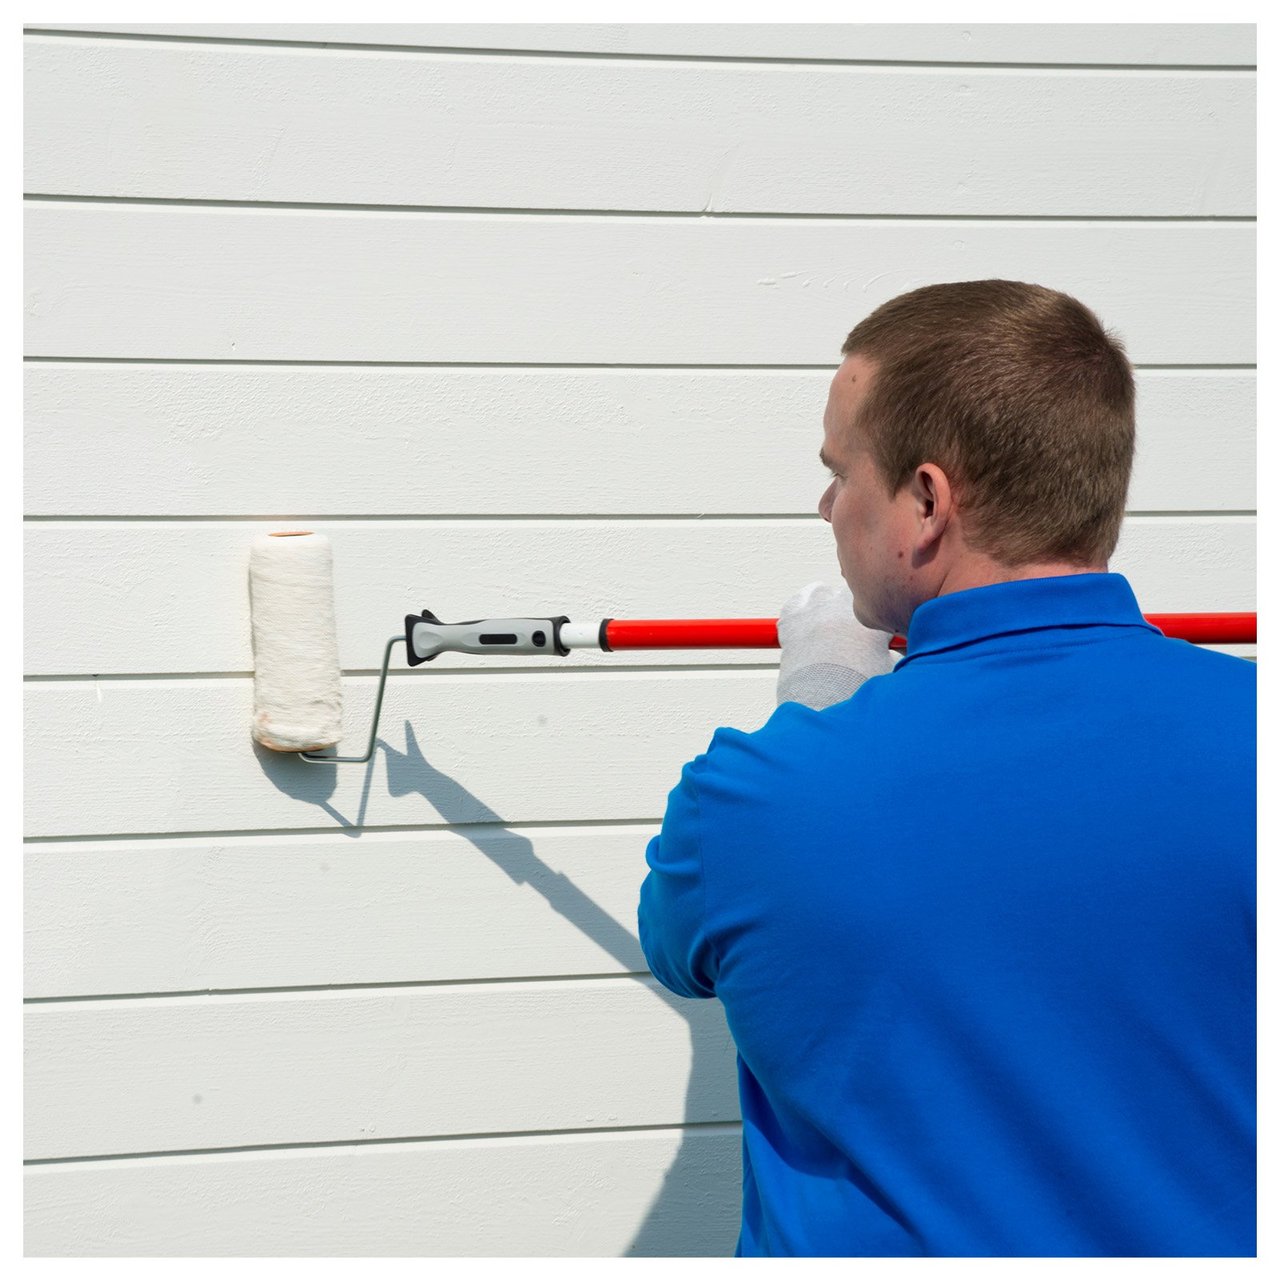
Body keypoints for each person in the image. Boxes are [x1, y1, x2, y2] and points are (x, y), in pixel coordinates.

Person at [637, 280, 1255, 1257]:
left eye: (841, 472)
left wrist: (816, 702)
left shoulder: (753, 800)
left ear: (925, 502)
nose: (827, 504)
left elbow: (679, 951)